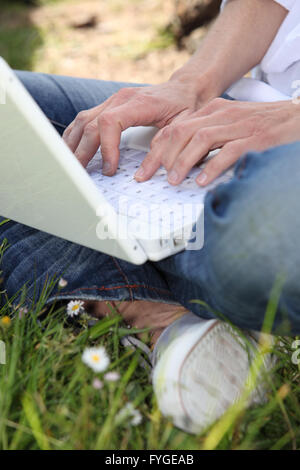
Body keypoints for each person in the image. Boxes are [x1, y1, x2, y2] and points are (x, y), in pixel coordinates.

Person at [1, 0, 300, 433]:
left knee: (266, 240)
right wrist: (191, 86)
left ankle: (137, 298)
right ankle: (157, 313)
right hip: (236, 110)